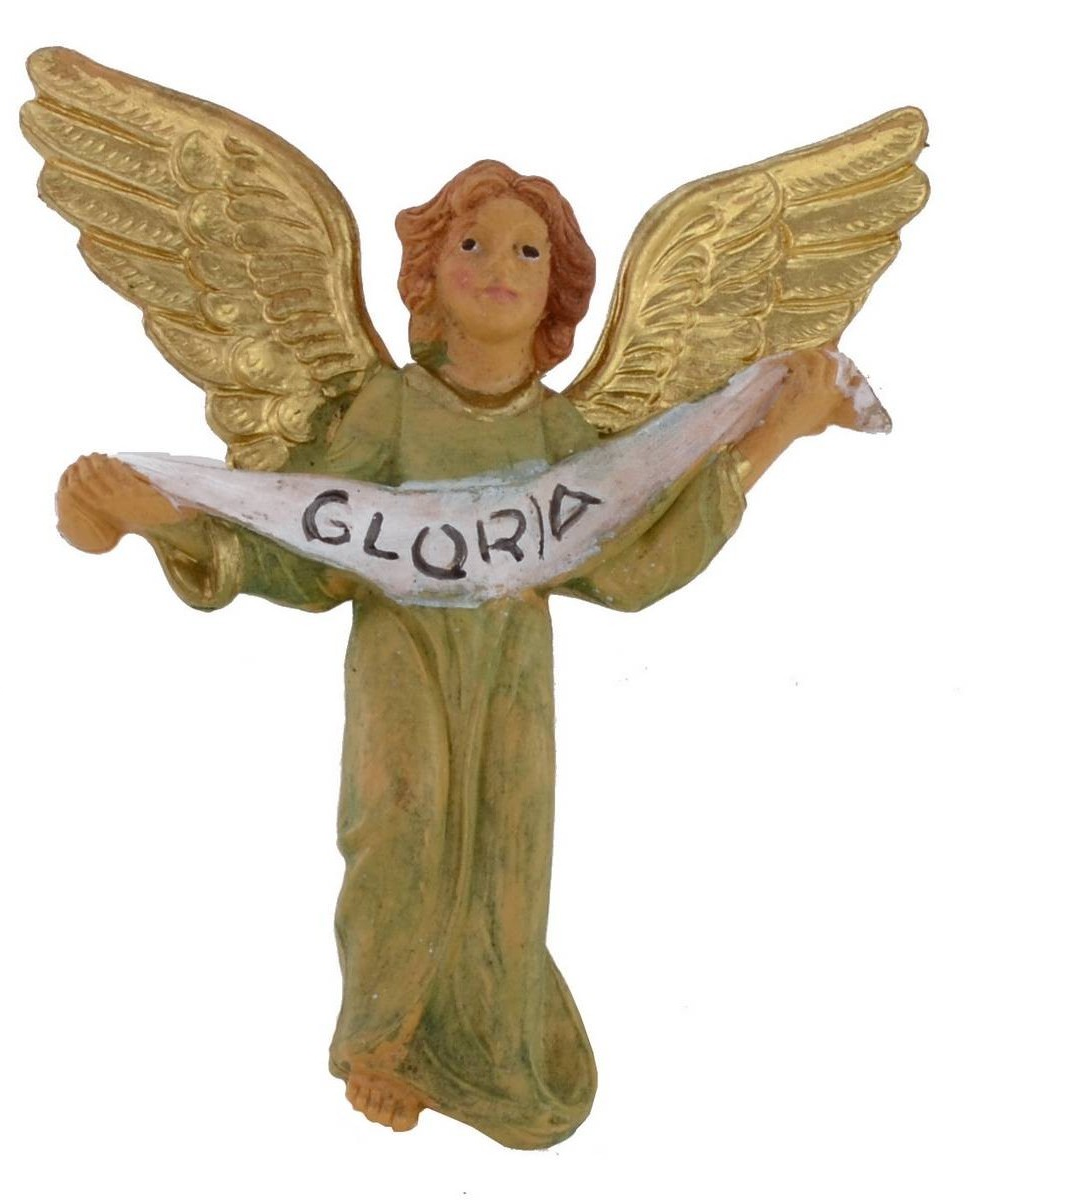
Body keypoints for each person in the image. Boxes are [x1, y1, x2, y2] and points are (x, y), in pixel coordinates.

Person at [56, 161, 854, 1148]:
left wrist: (779, 430)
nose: (499, 267)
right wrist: (171, 522)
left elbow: (637, 561)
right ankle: (382, 1042)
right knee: (403, 813)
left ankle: (488, 1046)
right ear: (428, 275)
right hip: (405, 656)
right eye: (471, 245)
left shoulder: (560, 432)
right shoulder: (388, 410)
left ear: (559, 292)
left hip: (510, 668)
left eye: (529, 252)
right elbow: (310, 553)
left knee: (510, 843)